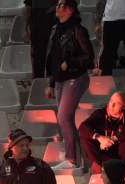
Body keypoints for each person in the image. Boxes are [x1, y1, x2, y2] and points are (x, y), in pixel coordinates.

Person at [45, 0, 94, 170]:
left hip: (75, 77)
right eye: (57, 5)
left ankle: (72, 158)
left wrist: (70, 63)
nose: (57, 8)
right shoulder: (55, 29)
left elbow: (89, 57)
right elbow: (52, 58)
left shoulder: (77, 30)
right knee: (65, 119)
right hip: (60, 79)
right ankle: (76, 160)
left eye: (61, 5)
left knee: (63, 117)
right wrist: (51, 82)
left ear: (70, 10)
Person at [79, 92, 125, 180]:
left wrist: (113, 139)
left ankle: (121, 167)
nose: (112, 105)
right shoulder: (100, 113)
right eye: (111, 101)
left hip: (121, 155)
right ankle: (101, 166)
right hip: (104, 154)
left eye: (117, 103)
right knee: (85, 137)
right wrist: (100, 138)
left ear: (124, 106)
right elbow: (82, 127)